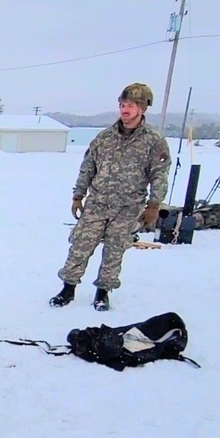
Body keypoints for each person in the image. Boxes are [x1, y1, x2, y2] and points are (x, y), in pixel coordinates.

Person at [50, 83, 171, 311]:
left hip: (128, 207)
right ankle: (68, 288)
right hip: (97, 203)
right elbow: (87, 168)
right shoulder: (104, 138)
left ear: (143, 108)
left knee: (115, 250)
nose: (125, 110)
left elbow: (160, 174)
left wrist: (153, 205)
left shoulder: (154, 141)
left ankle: (103, 292)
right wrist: (78, 195)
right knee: (80, 246)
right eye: (123, 105)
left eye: (131, 105)